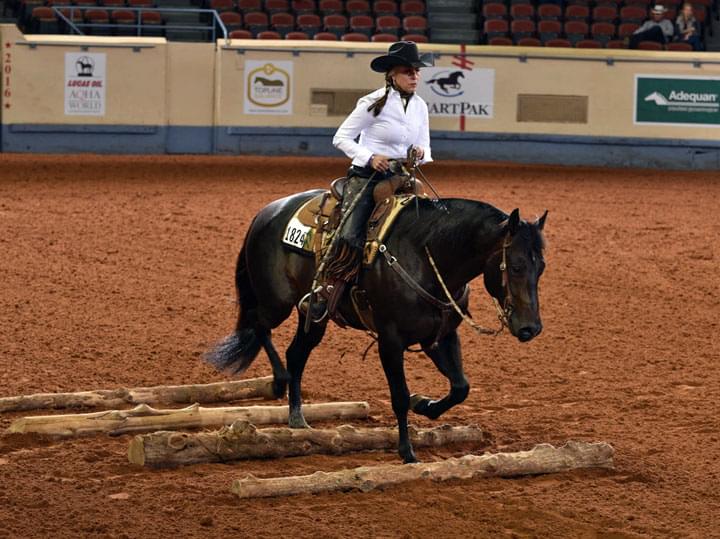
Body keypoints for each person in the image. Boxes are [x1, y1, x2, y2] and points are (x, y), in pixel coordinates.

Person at [308, 40, 434, 320]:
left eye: (416, 71)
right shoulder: (371, 103)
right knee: (351, 233)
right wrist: (369, 157)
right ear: (391, 74)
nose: (414, 76)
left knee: (426, 227)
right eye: (407, 71)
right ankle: (326, 289)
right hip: (366, 177)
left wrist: (419, 153)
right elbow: (340, 137)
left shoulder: (421, 106)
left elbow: (425, 148)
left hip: (401, 176)